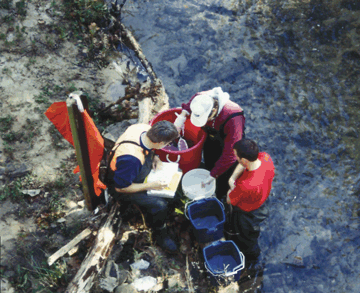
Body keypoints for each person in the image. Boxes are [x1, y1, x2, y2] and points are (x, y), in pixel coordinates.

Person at [106, 120, 179, 253]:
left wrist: (155, 157)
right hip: (122, 186)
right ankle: (159, 233)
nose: (168, 146)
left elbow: (150, 148)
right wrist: (151, 185)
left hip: (134, 170)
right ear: (161, 144)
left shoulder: (143, 129)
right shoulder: (131, 159)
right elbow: (120, 188)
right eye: (167, 144)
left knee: (172, 194)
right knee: (160, 205)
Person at [174, 87, 245, 199]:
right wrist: (181, 118)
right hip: (211, 137)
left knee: (224, 175)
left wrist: (213, 175)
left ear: (213, 111)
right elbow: (188, 106)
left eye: (207, 119)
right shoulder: (200, 98)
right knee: (209, 161)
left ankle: (221, 194)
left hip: (228, 144)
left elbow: (230, 154)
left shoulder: (233, 118)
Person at [225, 139, 275, 268]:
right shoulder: (265, 158)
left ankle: (252, 261)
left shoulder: (246, 185)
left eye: (236, 155)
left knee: (247, 238)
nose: (234, 157)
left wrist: (231, 188)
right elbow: (244, 164)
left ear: (244, 160)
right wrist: (233, 177)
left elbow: (229, 200)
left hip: (247, 213)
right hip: (261, 200)